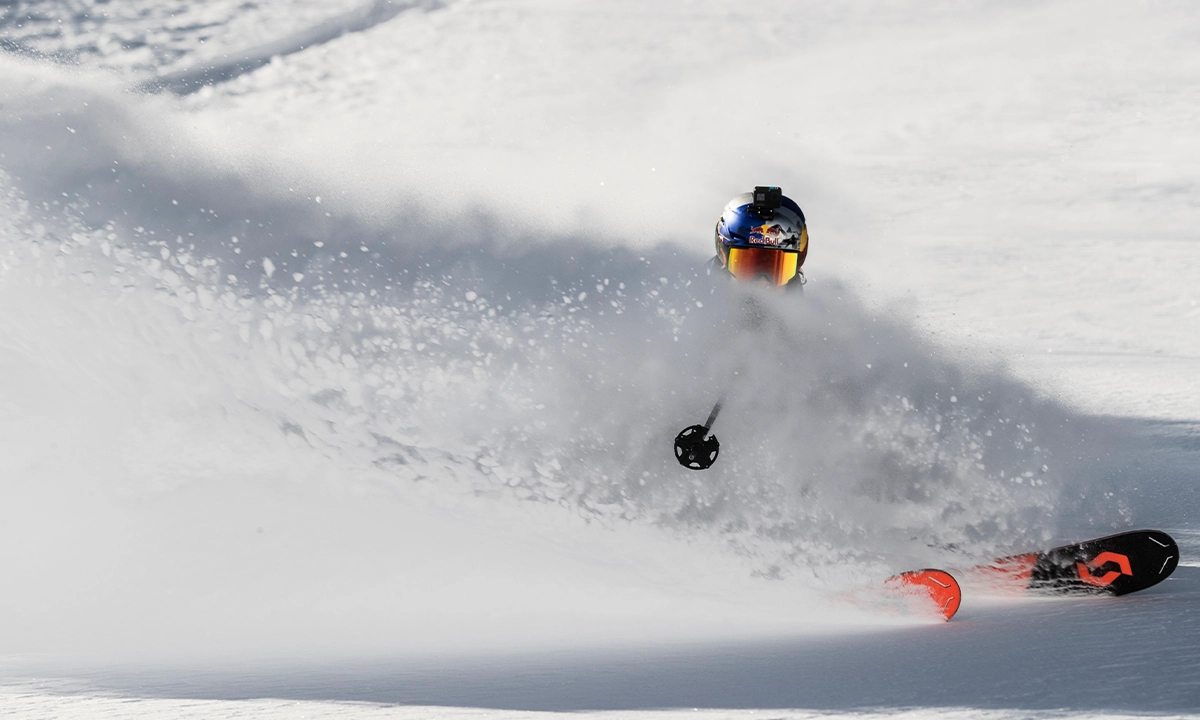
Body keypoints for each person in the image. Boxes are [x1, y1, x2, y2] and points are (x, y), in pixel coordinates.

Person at [711, 186, 808, 289]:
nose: (762, 284)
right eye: (746, 267)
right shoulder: (694, 298)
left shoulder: (812, 304)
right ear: (723, 257)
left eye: (778, 272)